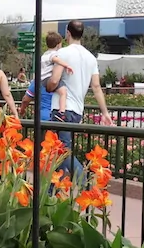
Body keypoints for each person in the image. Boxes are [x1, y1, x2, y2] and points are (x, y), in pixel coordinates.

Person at [46, 20, 113, 177]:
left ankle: (84, 183)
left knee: (61, 151)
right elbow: (96, 87)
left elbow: (54, 80)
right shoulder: (90, 58)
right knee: (58, 152)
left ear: (67, 33)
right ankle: (52, 192)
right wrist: (105, 112)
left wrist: (48, 86)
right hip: (77, 111)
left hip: (61, 110)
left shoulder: (62, 54)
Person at [39, 32, 74, 120]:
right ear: (58, 45)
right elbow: (56, 60)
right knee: (63, 92)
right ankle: (62, 111)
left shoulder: (44, 54)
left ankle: (60, 111)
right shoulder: (53, 54)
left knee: (60, 92)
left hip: (43, 79)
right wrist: (66, 65)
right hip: (48, 78)